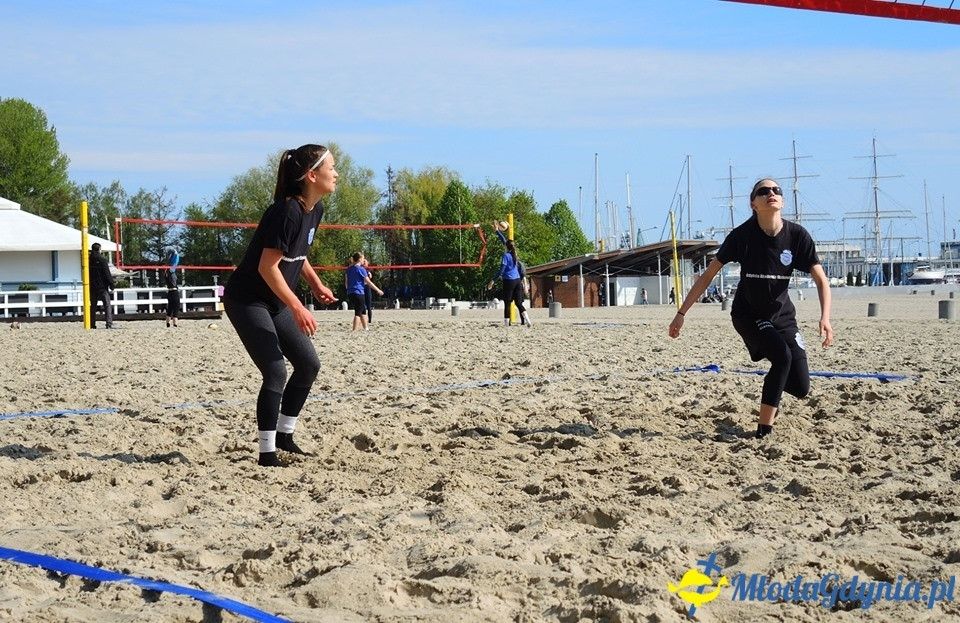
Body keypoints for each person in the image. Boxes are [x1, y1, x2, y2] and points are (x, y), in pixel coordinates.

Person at [668, 178, 834, 440]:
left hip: (783, 317)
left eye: (776, 190)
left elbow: (821, 280)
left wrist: (825, 317)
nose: (771, 193)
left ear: (782, 200)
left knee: (801, 387)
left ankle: (773, 388)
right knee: (781, 357)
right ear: (753, 204)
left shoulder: (798, 236)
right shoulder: (742, 236)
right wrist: (681, 313)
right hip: (749, 315)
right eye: (763, 191)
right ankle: (763, 432)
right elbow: (708, 276)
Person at [223, 144, 339, 467]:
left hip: (274, 299)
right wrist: (299, 307)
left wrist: (315, 285)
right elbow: (267, 268)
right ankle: (267, 453)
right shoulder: (286, 211)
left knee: (308, 364)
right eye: (332, 167)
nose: (336, 173)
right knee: (275, 371)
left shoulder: (314, 211)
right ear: (312, 175)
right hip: (247, 299)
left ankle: (285, 435)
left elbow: (297, 255)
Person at [487, 236, 531, 327]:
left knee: (507, 303)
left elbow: (501, 271)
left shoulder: (506, 256)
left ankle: (507, 324)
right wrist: (497, 231)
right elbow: (505, 242)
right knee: (519, 303)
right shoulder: (515, 254)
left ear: (506, 247)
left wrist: (493, 280)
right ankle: (527, 319)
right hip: (517, 281)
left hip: (509, 281)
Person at [346, 252, 383, 331]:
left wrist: (348, 289)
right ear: (359, 259)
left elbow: (346, 282)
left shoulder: (349, 269)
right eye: (363, 258)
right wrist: (378, 290)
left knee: (363, 310)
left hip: (350, 293)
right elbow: (368, 282)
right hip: (358, 292)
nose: (364, 260)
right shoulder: (361, 269)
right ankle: (354, 330)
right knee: (358, 313)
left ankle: (366, 328)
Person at [88, 242, 115, 329]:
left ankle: (92, 324)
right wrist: (111, 284)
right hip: (102, 287)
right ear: (99, 249)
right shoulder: (102, 260)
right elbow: (107, 273)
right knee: (107, 305)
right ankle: (108, 323)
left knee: (93, 306)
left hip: (92, 286)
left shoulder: (88, 260)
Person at [362, 256, 374, 324]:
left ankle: (369, 320)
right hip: (361, 287)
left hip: (367, 287)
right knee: (362, 305)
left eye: (365, 262)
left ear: (368, 263)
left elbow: (370, 277)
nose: (363, 263)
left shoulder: (368, 270)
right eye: (363, 261)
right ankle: (363, 319)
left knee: (369, 305)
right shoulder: (360, 269)